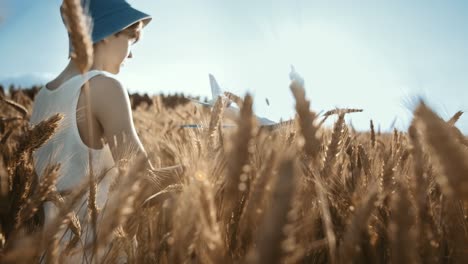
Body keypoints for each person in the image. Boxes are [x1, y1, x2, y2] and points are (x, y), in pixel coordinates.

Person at [29, 0, 156, 259]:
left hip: (52, 254)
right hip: (98, 251)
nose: (131, 54)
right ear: (109, 33)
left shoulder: (42, 97)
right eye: (132, 39)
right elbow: (144, 182)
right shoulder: (105, 87)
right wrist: (203, 165)